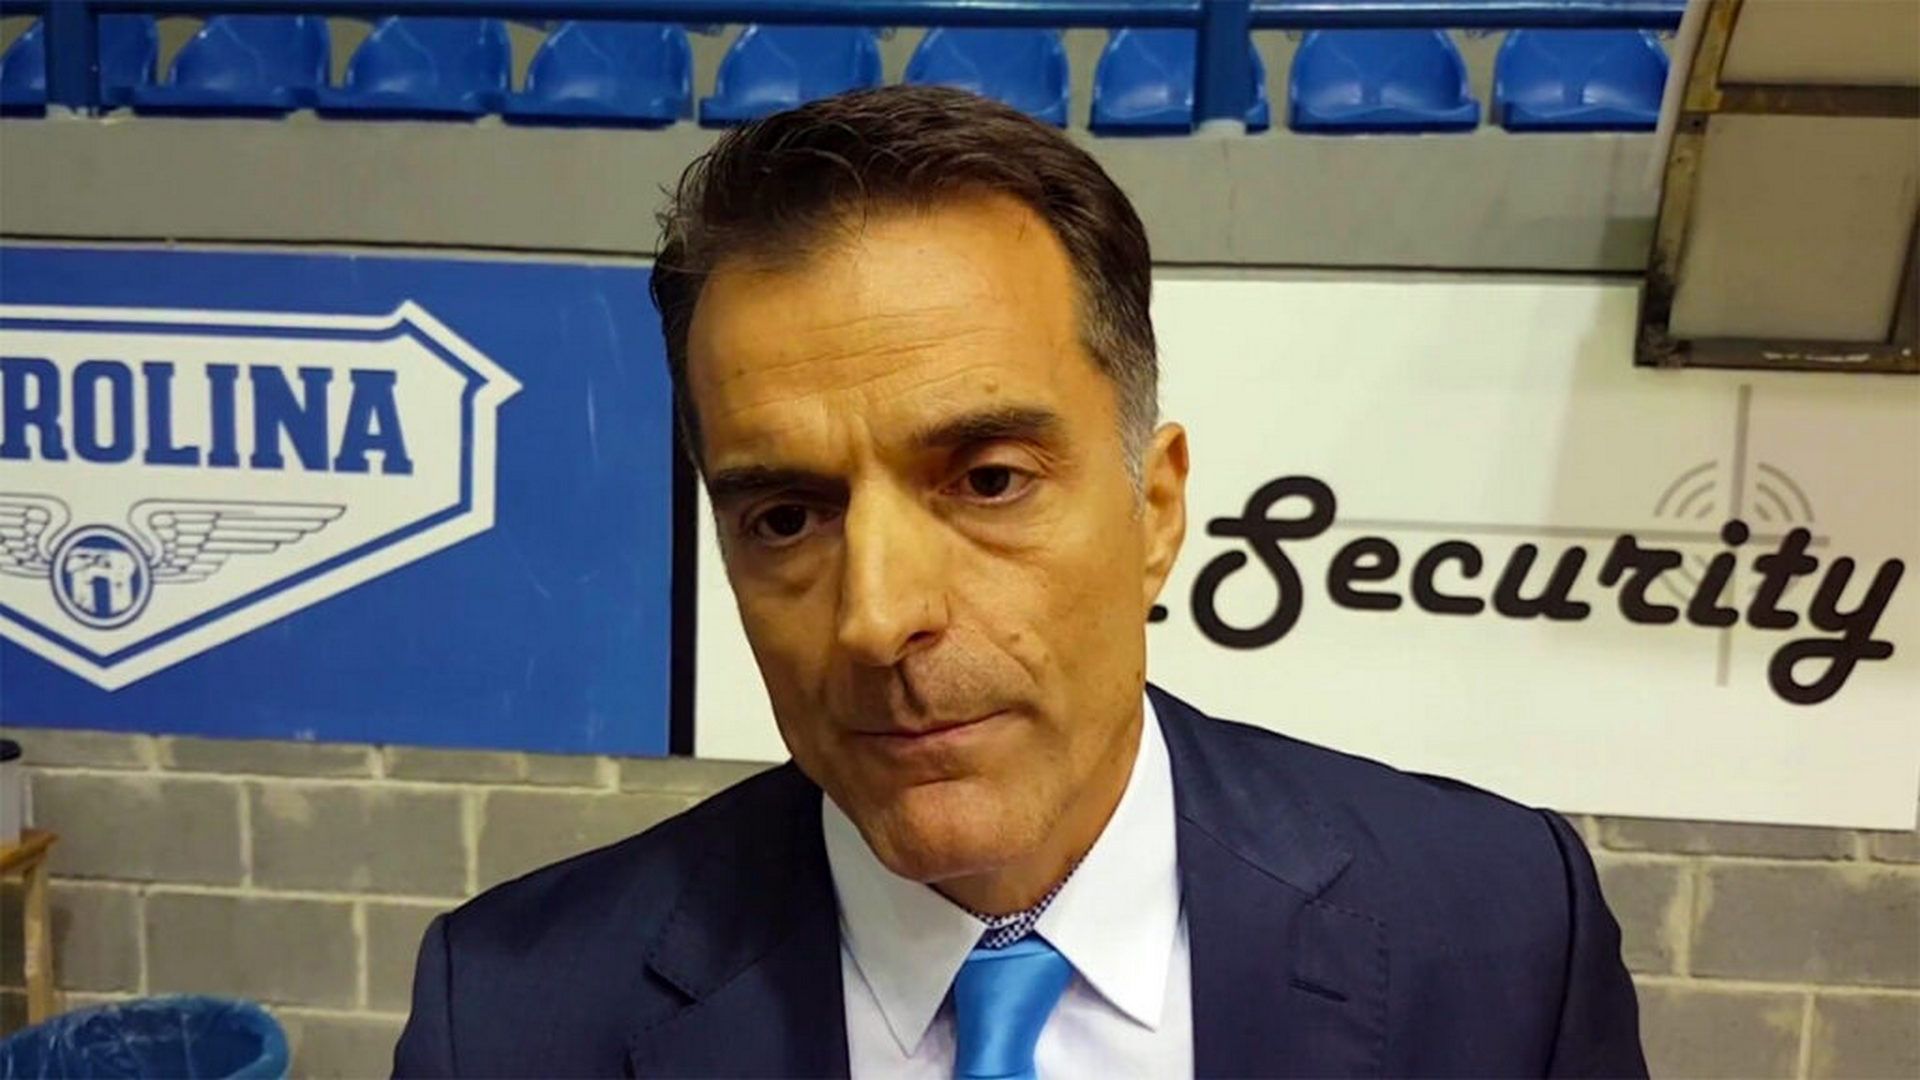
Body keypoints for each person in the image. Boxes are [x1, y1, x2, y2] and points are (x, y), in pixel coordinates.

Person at [394, 85, 1645, 1079]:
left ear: (1155, 510)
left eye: (988, 481)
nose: (878, 617)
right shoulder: (508, 1018)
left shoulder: (1500, 933)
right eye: (786, 515)